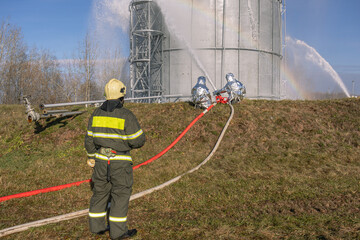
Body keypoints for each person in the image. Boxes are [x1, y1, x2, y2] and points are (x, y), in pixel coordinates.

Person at [85, 78, 146, 240]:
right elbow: (138, 140)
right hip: (120, 162)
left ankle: (97, 227)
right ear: (122, 96)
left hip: (100, 162)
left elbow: (89, 139)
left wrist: (91, 157)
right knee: (120, 194)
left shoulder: (96, 113)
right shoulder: (126, 114)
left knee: (99, 193)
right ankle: (118, 232)